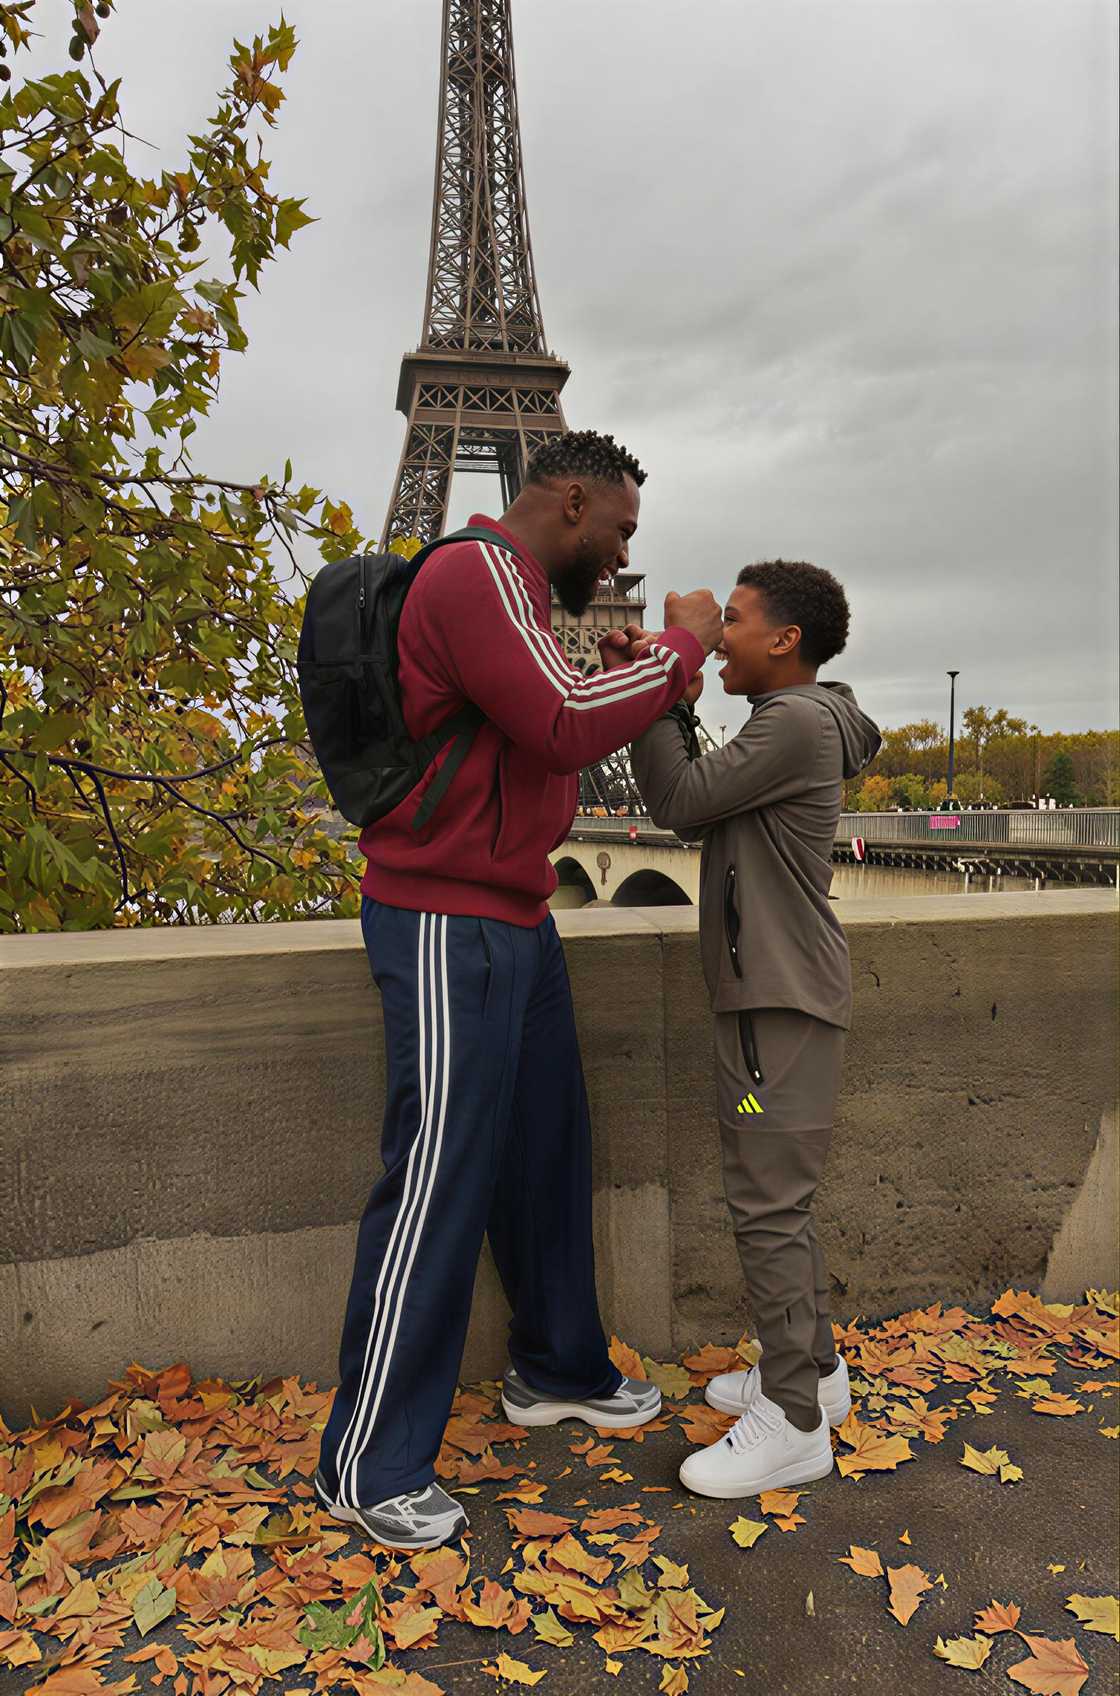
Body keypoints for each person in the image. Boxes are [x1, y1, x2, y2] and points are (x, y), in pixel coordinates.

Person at [315, 430, 724, 1550]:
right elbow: (560, 725)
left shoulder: (520, 594)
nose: (627, 552)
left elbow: (531, 724)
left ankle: (555, 1367)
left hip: (515, 916)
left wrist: (613, 669)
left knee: (548, 1153)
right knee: (437, 1177)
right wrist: (682, 649)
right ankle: (367, 1460)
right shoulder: (475, 572)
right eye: (625, 531)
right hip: (447, 919)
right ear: (576, 501)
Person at [619, 559, 881, 1499]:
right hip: (777, 992)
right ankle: (810, 1374)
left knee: (767, 1209)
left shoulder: (798, 723)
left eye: (733, 620)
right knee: (781, 1204)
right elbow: (704, 800)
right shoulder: (795, 723)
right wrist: (682, 687)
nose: (720, 634)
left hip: (778, 1000)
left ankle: (797, 1426)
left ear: (786, 640)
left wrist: (663, 672)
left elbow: (678, 802)